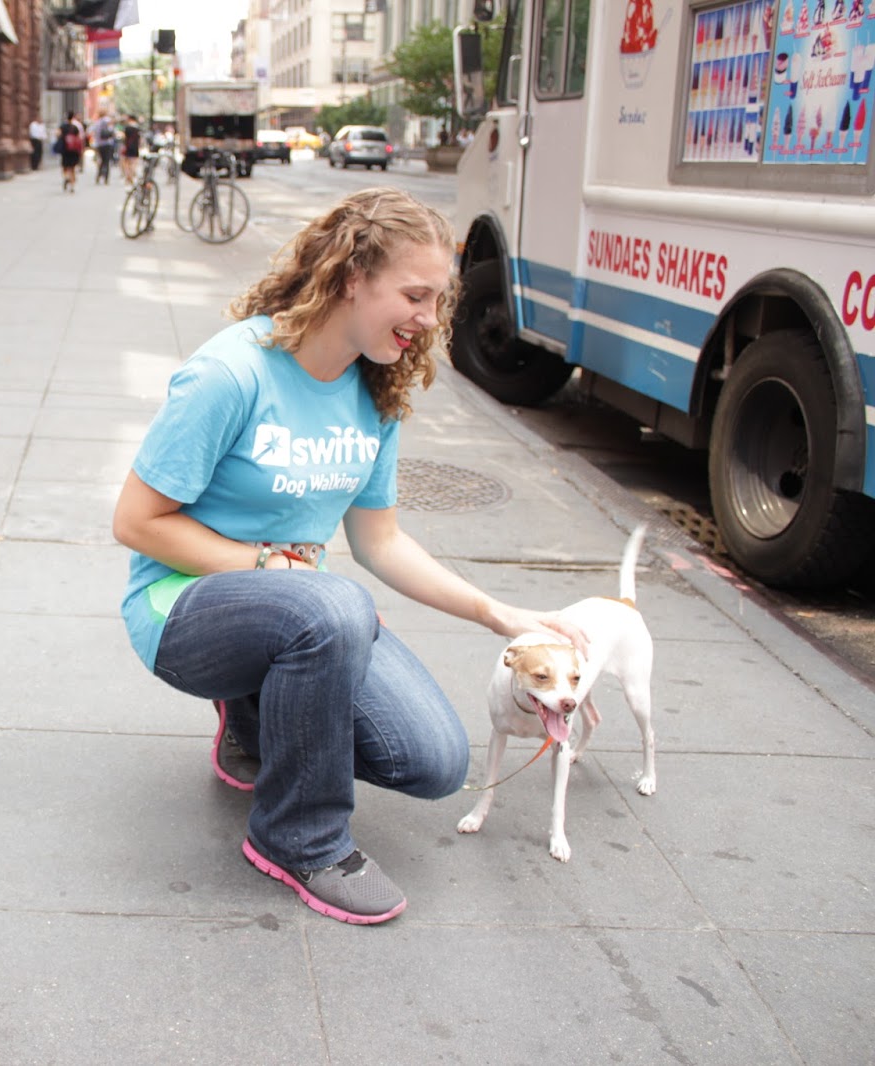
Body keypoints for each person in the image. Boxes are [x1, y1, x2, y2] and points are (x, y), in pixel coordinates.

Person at [111, 187, 588, 925]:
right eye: (416, 295)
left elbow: (380, 542)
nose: (430, 320)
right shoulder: (233, 373)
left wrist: (504, 615)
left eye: (439, 301)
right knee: (334, 607)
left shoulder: (375, 389)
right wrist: (271, 566)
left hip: (303, 614)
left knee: (433, 761)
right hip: (183, 608)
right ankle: (298, 838)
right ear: (349, 279)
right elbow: (137, 521)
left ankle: (255, 717)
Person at [56, 111, 82, 192]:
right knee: (73, 168)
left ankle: (66, 177)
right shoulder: (75, 127)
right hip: (74, 150)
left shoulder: (62, 126)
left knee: (65, 166)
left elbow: (57, 134)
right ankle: (72, 186)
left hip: (65, 150)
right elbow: (79, 138)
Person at [91, 110, 116, 184]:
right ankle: (106, 178)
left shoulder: (97, 123)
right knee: (107, 161)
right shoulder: (107, 120)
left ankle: (99, 175)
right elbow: (112, 130)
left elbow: (93, 132)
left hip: (99, 144)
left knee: (101, 160)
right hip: (107, 144)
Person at [119, 113, 142, 185]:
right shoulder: (138, 128)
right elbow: (140, 139)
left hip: (128, 146)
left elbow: (124, 138)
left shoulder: (127, 128)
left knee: (126, 162)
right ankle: (131, 175)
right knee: (134, 162)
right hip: (135, 147)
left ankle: (128, 176)